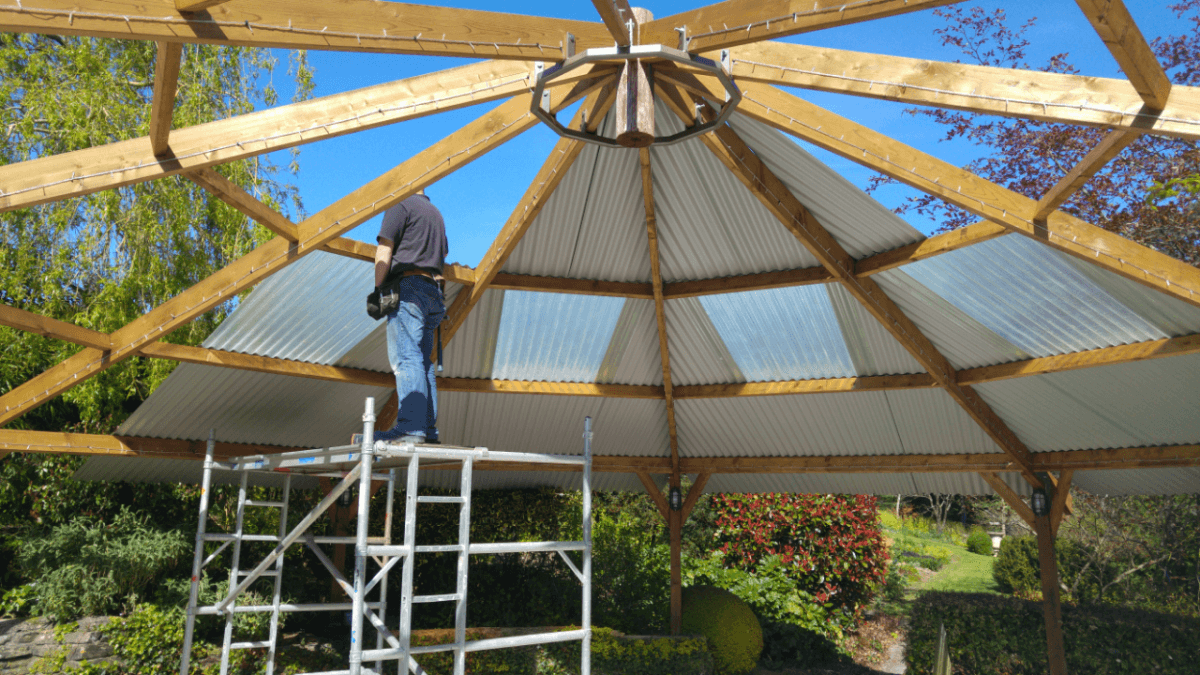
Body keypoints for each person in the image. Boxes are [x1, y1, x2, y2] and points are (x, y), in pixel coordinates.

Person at [357, 190, 447, 445]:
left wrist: (378, 291)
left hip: (410, 289)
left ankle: (411, 427)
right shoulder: (436, 215)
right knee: (423, 362)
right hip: (434, 291)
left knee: (406, 357)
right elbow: (442, 260)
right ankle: (427, 430)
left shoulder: (401, 206)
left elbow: (384, 250)